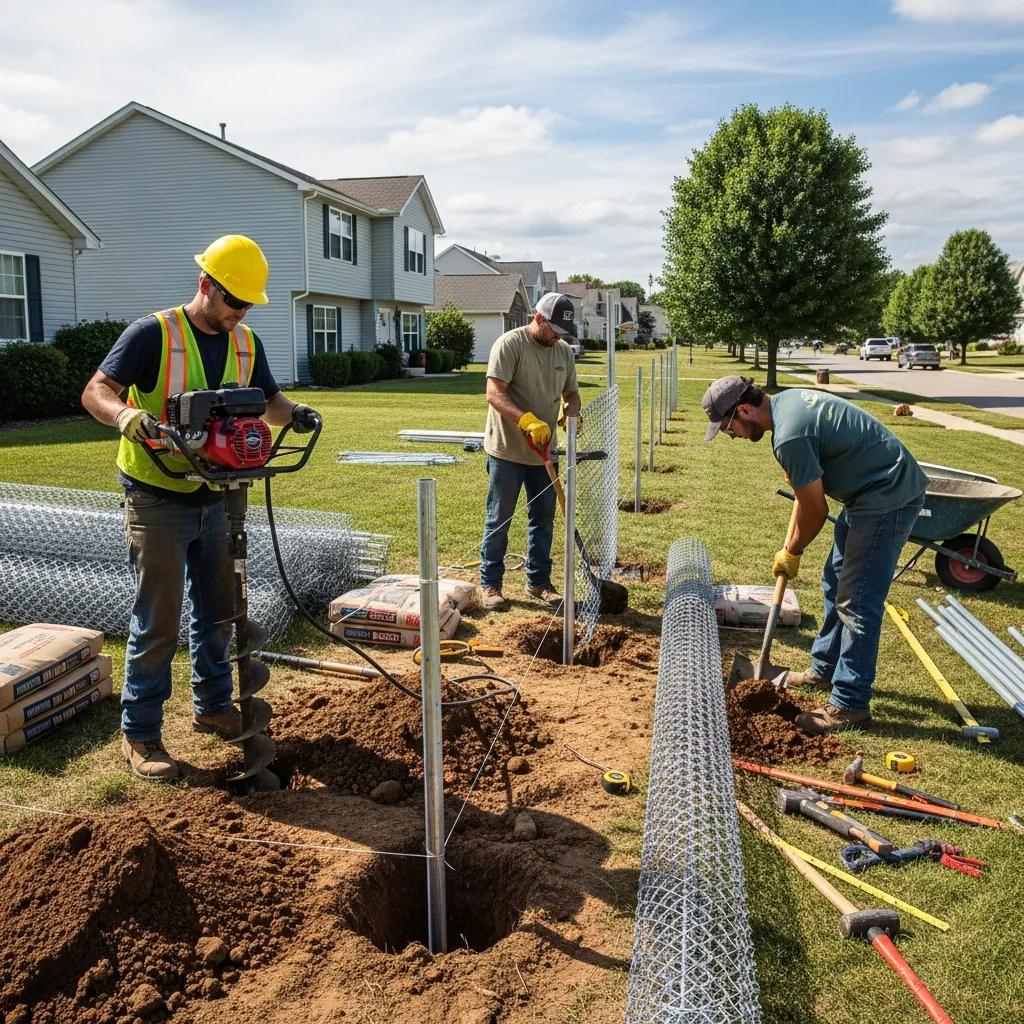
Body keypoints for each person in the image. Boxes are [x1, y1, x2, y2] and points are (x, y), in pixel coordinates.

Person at [82, 235, 320, 781]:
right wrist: (123, 416)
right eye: (233, 300)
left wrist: (297, 413)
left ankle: (213, 706)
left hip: (219, 493)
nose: (239, 312)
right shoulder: (154, 333)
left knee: (219, 609)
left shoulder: (246, 342)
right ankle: (140, 734)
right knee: (158, 620)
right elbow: (97, 389)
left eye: (247, 304)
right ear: (205, 285)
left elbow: (269, 401)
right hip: (157, 492)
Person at [702, 375, 928, 734]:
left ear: (745, 410)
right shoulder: (787, 406)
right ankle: (824, 669)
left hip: (887, 496)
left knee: (857, 600)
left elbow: (816, 510)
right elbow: (805, 493)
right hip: (866, 493)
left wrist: (793, 550)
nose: (735, 437)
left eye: (730, 429)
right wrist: (788, 546)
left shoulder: (790, 436)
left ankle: (850, 703)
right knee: (834, 580)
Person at [479, 292, 582, 611]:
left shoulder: (562, 351)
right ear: (538, 318)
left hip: (544, 454)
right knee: (499, 519)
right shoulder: (509, 344)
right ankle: (490, 584)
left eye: (563, 333)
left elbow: (572, 393)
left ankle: (538, 582)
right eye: (553, 330)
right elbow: (494, 393)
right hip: (508, 451)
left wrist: (572, 413)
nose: (557, 338)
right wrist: (526, 419)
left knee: (543, 520)